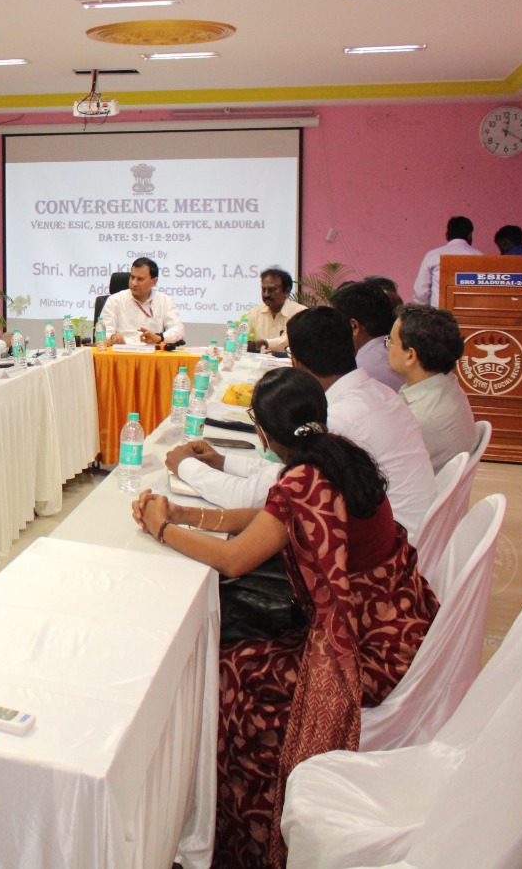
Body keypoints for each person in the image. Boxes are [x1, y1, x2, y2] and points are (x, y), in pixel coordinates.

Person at [133, 367, 436, 869]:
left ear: (262, 433)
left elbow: (234, 559)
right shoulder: (338, 456)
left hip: (366, 650)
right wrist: (186, 517)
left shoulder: (305, 480)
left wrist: (160, 528)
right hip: (399, 619)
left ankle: (245, 833)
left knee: (230, 671)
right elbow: (270, 517)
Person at [166, 306, 437, 539]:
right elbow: (284, 476)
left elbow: (257, 496)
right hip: (407, 538)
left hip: (379, 550)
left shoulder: (336, 420)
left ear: (296, 362)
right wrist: (223, 462)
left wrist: (185, 466)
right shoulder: (380, 394)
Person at [389, 304, 478, 471]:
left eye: (391, 341)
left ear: (410, 355)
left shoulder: (418, 419)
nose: (387, 347)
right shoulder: (447, 384)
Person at [330, 279, 403, 392]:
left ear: (354, 326)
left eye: (334, 321)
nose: (330, 329)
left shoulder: (358, 371)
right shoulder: (401, 355)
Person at [100, 257, 186, 346]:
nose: (134, 283)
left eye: (140, 279)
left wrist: (159, 337)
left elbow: (178, 330)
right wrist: (112, 337)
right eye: (132, 277)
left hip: (153, 352)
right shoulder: (115, 300)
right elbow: (101, 332)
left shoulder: (165, 301)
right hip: (123, 351)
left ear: (154, 281)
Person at [413, 216, 483, 306]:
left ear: (447, 234)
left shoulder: (433, 255)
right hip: (471, 312)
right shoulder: (481, 257)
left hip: (439, 313)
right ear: (470, 235)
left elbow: (421, 292)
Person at [244, 267, 306, 352]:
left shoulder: (300, 313)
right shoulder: (255, 313)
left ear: (287, 291)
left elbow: (290, 340)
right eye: (263, 290)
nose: (266, 295)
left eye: (271, 290)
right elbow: (242, 337)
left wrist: (265, 343)